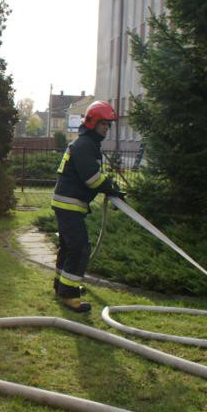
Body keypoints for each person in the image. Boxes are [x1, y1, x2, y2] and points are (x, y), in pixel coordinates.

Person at [51, 100, 125, 313]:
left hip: (67, 203)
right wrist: (110, 187)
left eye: (108, 125)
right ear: (92, 123)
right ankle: (70, 295)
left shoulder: (86, 144)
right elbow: (92, 179)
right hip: (70, 204)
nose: (106, 129)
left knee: (68, 247)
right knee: (79, 248)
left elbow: (92, 177)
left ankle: (61, 286)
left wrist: (109, 186)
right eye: (104, 124)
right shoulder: (85, 145)